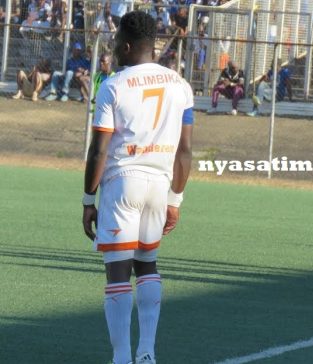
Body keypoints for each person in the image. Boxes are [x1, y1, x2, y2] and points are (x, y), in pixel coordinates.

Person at [82, 11, 194, 364]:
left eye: (116, 41)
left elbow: (99, 148)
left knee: (117, 271)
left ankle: (120, 358)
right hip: (159, 186)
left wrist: (88, 199)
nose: (113, 47)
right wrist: (176, 198)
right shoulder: (181, 85)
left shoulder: (113, 85)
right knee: (147, 266)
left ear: (127, 46)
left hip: (123, 185)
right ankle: (147, 353)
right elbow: (185, 151)